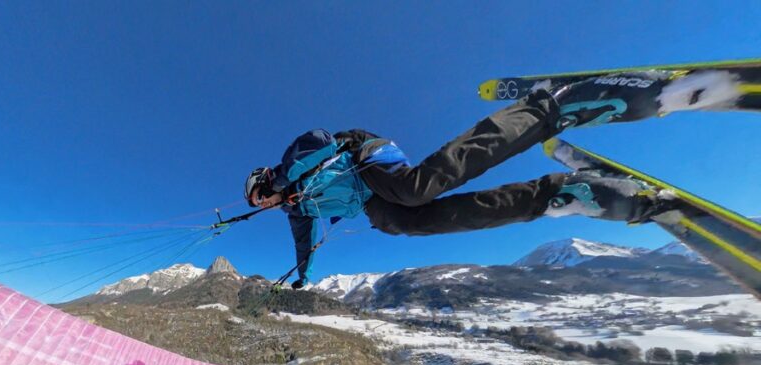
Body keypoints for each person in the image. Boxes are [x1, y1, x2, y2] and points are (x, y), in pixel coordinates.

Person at [244, 74, 677, 289]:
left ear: (266, 178)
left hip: (363, 159)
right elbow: (304, 242)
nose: (264, 202)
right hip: (370, 201)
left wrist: (282, 178)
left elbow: (319, 141)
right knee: (407, 222)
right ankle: (555, 195)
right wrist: (303, 276)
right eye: (259, 202)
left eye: (261, 193)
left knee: (414, 188)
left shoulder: (293, 162)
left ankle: (545, 108)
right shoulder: (296, 208)